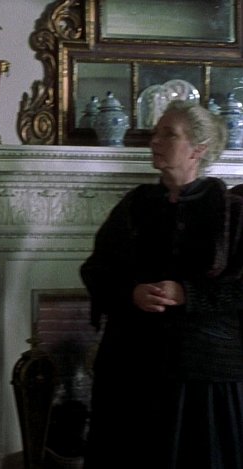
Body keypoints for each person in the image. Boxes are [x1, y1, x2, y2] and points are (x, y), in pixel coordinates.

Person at [80, 100, 243, 469]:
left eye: (168, 134)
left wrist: (188, 294)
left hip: (204, 371)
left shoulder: (232, 212)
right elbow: (96, 270)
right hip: (132, 366)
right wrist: (131, 293)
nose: (154, 141)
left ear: (198, 149)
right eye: (155, 133)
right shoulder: (135, 205)